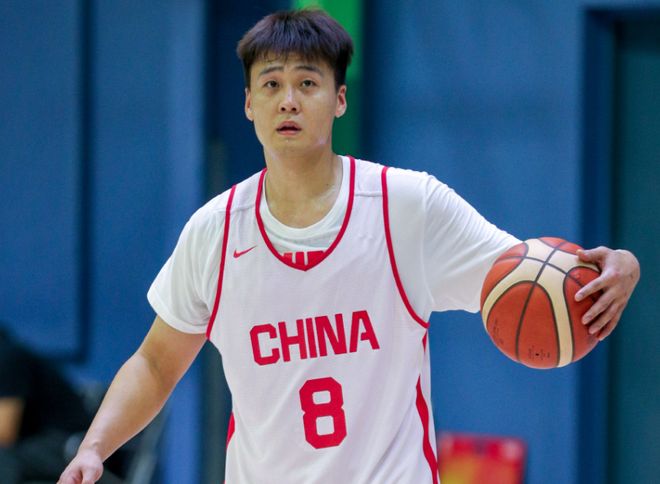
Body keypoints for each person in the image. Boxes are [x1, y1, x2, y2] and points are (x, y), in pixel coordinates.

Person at [58, 9, 640, 484]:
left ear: (339, 98)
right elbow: (156, 363)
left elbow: (529, 277)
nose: (288, 100)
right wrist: (94, 447)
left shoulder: (407, 207)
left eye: (307, 83)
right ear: (249, 103)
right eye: (271, 84)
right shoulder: (214, 231)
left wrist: (624, 266)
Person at [0, 325, 94, 483]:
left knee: (2, 460)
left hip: (68, 443)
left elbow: (4, 434)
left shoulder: (6, 356)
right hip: (32, 442)